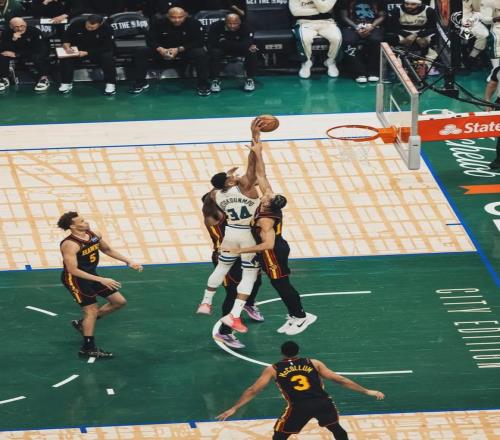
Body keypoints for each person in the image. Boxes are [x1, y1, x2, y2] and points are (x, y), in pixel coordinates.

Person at [222, 137, 316, 336]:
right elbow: (261, 174)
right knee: (272, 282)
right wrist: (258, 152)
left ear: (267, 204)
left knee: (281, 283)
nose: (266, 192)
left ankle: (300, 316)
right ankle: (293, 314)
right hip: (269, 250)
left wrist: (239, 250)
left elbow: (268, 244)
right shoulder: (269, 198)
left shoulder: (266, 220)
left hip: (273, 251)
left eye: (267, 196)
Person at [217, 341, 385, 439]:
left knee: (279, 435)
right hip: (323, 402)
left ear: (282, 353)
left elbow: (253, 390)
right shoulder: (313, 363)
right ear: (298, 352)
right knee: (336, 428)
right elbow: (340, 380)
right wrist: (367, 391)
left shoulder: (274, 369)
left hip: (299, 407)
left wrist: (234, 408)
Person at [200, 119, 263, 334]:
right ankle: (230, 323)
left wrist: (226, 179)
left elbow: (217, 189)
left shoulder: (215, 198)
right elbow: (253, 170)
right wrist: (255, 141)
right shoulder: (244, 190)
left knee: (235, 273)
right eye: (231, 177)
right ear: (227, 183)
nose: (235, 176)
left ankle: (208, 302)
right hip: (241, 240)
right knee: (243, 282)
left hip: (229, 239)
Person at [58, 211, 143, 358]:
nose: (86, 222)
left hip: (91, 275)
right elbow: (72, 270)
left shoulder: (94, 234)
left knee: (119, 302)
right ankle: (88, 348)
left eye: (84, 220)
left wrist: (129, 261)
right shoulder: (70, 244)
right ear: (72, 226)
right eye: (81, 221)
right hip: (75, 279)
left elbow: (107, 249)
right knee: (91, 310)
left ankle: (82, 324)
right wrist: (101, 280)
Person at [200, 192, 264, 349]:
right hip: (227, 254)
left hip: (242, 250)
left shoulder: (226, 211)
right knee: (232, 293)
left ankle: (248, 303)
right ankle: (225, 332)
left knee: (255, 279)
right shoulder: (217, 217)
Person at [129, 7, 210, 95]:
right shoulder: (158, 23)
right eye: (173, 17)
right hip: (162, 50)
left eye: (180, 17)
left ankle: (203, 83)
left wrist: (179, 49)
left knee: (200, 53)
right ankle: (140, 82)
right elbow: (150, 40)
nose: (177, 20)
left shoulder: (194, 23)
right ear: (168, 16)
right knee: (141, 51)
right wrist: (160, 49)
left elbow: (199, 41)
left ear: (185, 15)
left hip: (184, 50)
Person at [58, 14, 117, 95]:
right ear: (86, 21)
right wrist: (67, 46)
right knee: (66, 58)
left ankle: (110, 83)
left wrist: (87, 53)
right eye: (88, 26)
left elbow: (107, 47)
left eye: (92, 28)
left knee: (107, 57)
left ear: (100, 25)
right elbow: (66, 37)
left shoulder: (107, 29)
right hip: (78, 50)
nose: (89, 28)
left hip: (97, 51)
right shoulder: (76, 24)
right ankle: (66, 82)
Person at [289, 0, 342, 79]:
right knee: (305, 39)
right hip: (305, 22)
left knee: (336, 38)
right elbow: (295, 12)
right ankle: (306, 62)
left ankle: (330, 62)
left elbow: (324, 9)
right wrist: (319, 11)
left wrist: (320, 9)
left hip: (327, 22)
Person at [207, 13, 258, 93]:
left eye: (235, 24)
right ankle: (215, 80)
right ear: (225, 22)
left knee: (252, 51)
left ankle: (249, 79)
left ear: (239, 22)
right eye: (229, 23)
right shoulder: (216, 26)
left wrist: (224, 42)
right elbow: (212, 42)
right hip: (222, 49)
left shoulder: (247, 28)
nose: (232, 26)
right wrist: (239, 44)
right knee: (215, 52)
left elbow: (246, 45)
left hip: (236, 48)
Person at [0, 17, 51, 92]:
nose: (20, 29)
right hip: (17, 52)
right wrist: (13, 39)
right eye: (16, 27)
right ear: (11, 27)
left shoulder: (34, 31)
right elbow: (3, 48)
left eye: (22, 26)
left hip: (35, 51)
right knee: (3, 56)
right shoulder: (6, 33)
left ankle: (44, 78)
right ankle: (4, 78)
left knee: (36, 57)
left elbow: (37, 49)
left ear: (25, 24)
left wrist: (17, 54)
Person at [340, 0, 385, 83]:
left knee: (376, 40)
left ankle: (373, 72)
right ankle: (359, 73)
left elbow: (382, 16)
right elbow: (344, 17)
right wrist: (356, 27)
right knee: (348, 41)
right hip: (352, 26)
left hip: (373, 25)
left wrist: (372, 26)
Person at [387, 0, 438, 72]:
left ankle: (428, 64)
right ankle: (397, 62)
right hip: (403, 32)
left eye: (413, 4)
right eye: (406, 4)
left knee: (434, 38)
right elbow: (392, 28)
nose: (409, 6)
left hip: (421, 32)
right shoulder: (397, 10)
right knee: (390, 37)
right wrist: (408, 35)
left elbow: (433, 28)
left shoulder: (429, 10)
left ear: (419, 4)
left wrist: (417, 35)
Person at [484, 65, 500, 169]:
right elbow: (492, 84)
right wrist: (487, 101)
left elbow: (492, 85)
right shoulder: (498, 69)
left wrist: (487, 101)